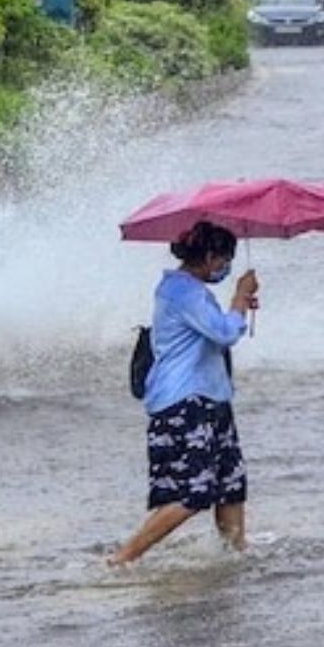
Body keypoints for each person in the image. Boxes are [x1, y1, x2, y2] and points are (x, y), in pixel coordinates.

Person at [109, 221, 260, 566]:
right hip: (184, 403)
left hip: (212, 397)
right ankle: (123, 558)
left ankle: (235, 555)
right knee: (193, 492)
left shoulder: (193, 291)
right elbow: (224, 333)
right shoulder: (181, 292)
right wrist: (238, 298)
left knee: (230, 484)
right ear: (208, 257)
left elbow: (219, 331)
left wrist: (239, 308)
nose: (225, 268)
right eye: (224, 260)